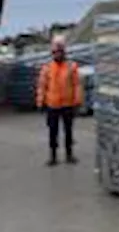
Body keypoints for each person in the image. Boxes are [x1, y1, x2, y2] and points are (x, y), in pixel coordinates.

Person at [35, 37, 84, 166]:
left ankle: (69, 155)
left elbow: (77, 84)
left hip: (68, 104)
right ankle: (53, 156)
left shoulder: (71, 66)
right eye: (55, 52)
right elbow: (42, 86)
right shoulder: (47, 68)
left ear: (64, 53)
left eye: (60, 52)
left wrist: (77, 100)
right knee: (53, 132)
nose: (57, 54)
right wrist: (40, 102)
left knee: (68, 131)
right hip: (53, 104)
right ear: (52, 54)